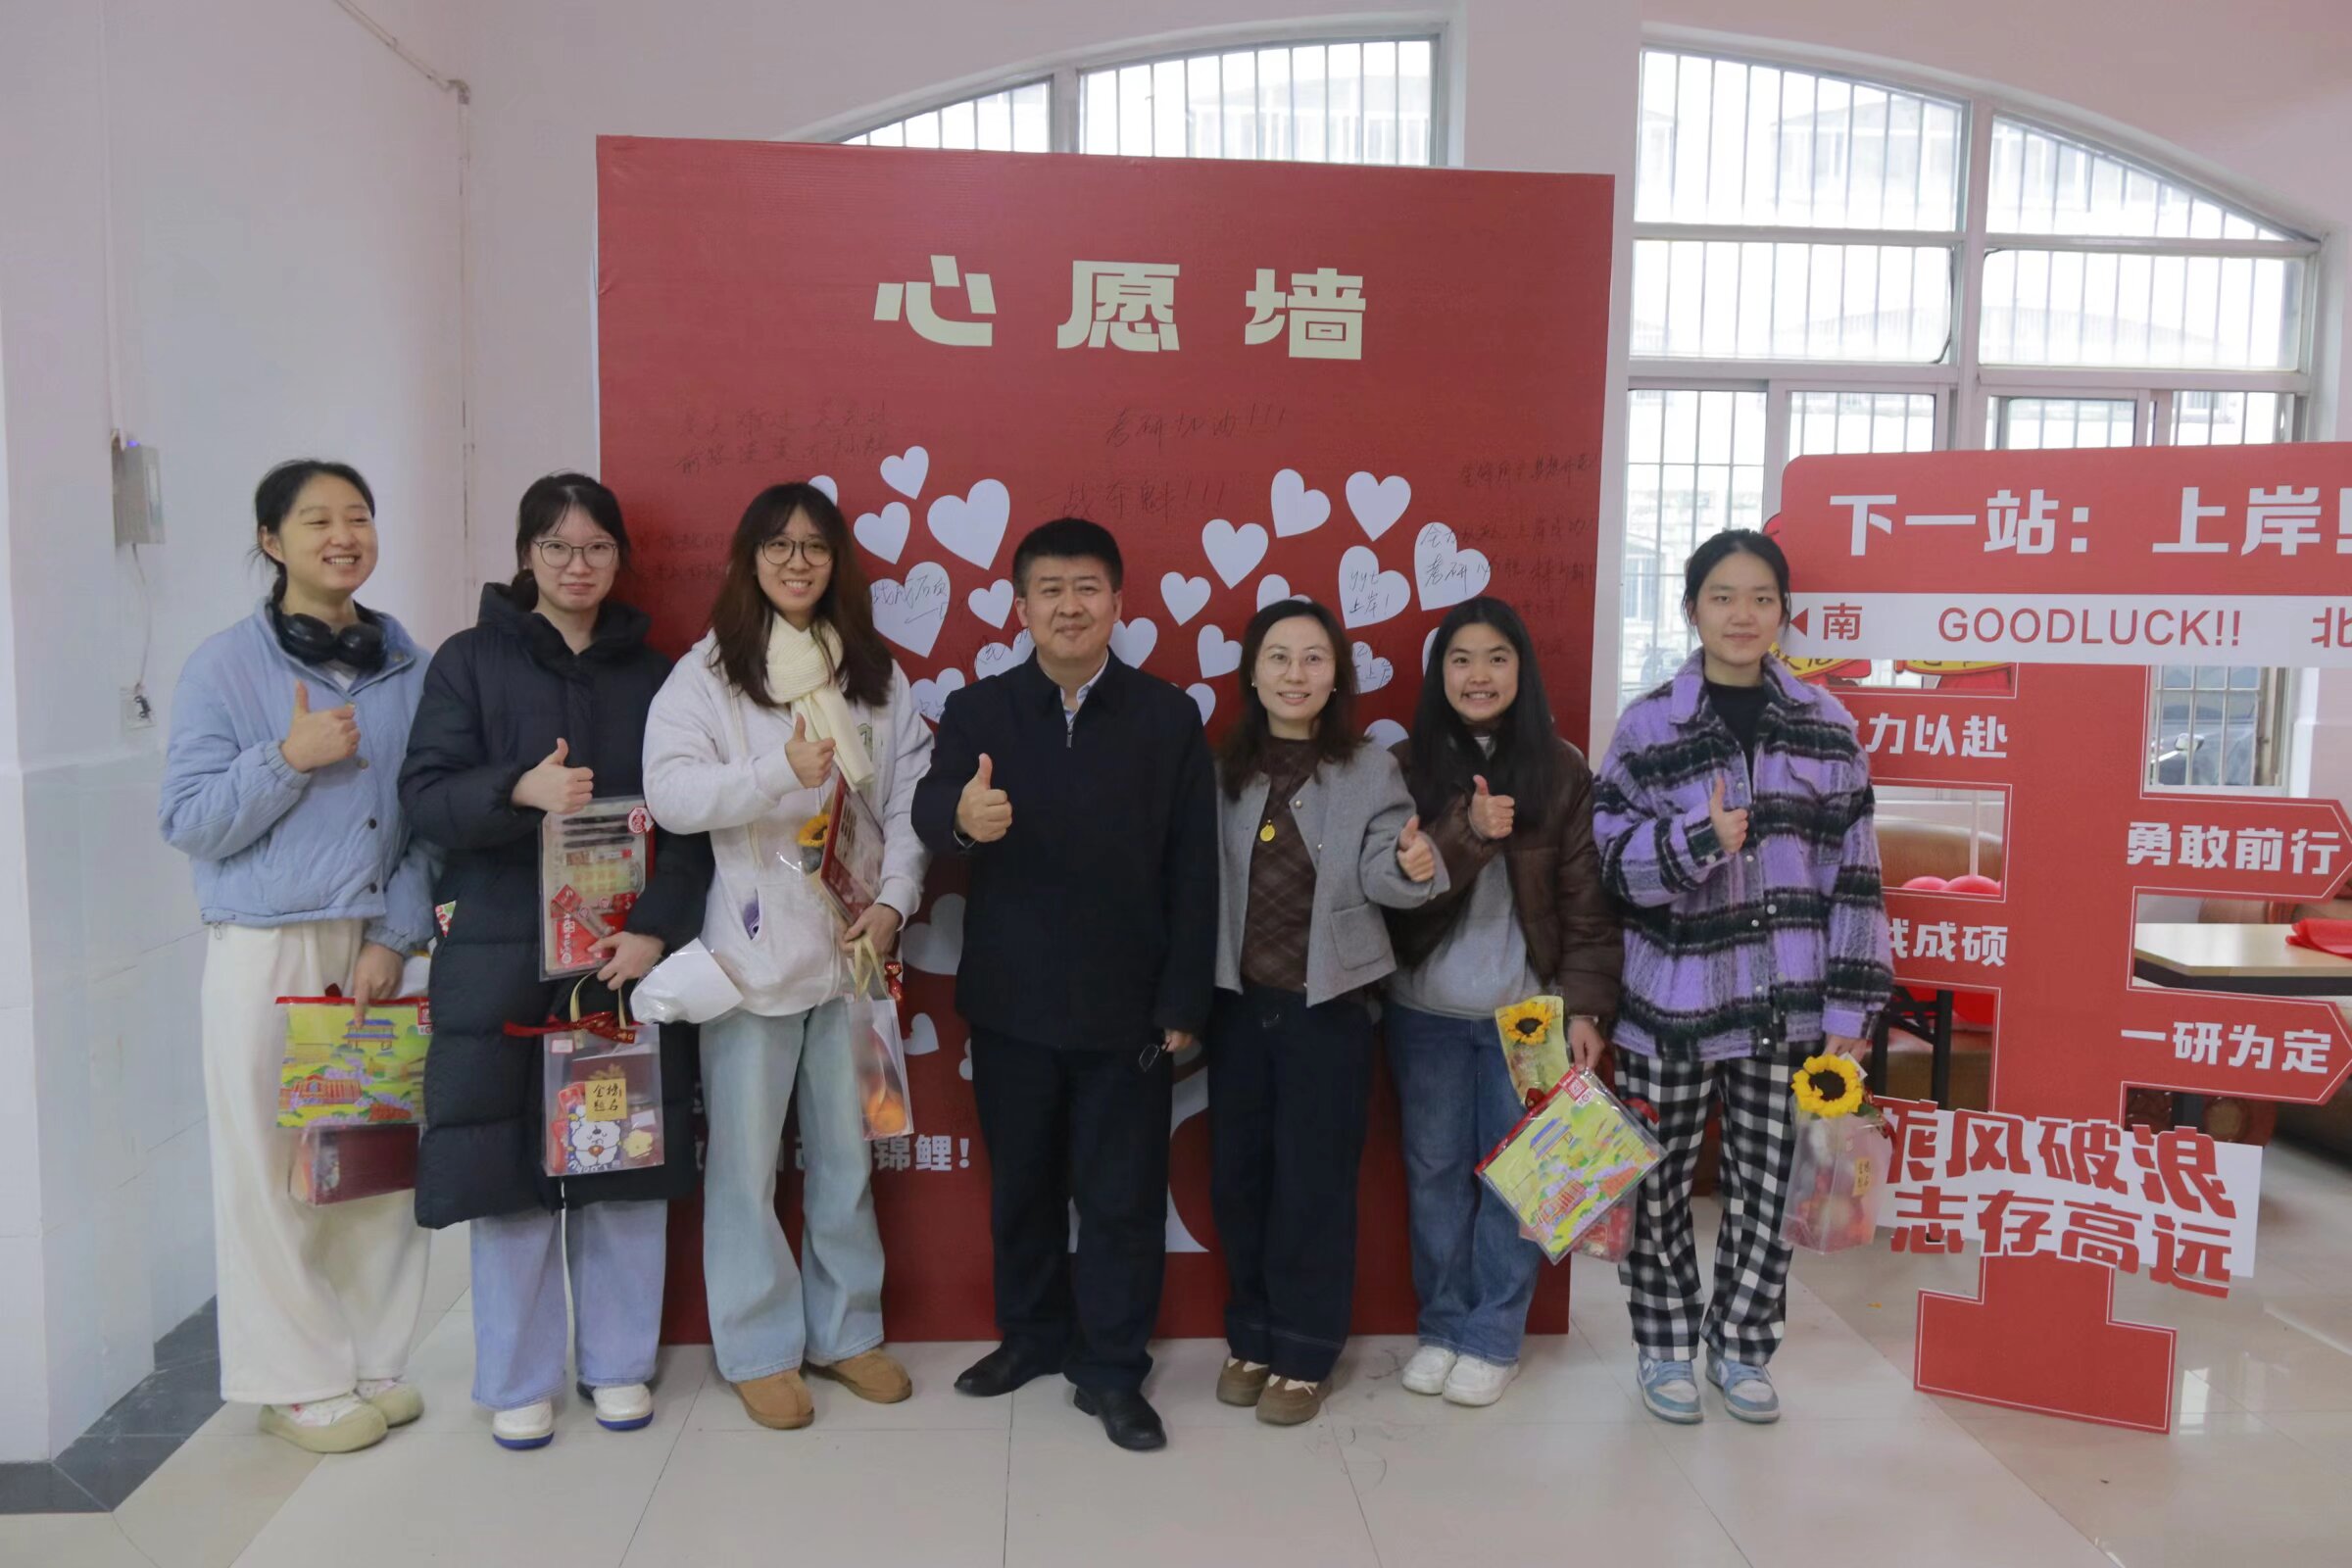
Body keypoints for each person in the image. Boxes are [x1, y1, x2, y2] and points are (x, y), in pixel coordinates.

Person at [399, 472, 713, 1450]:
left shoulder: (659, 676)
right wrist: (517, 790)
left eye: (597, 547)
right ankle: (519, 1377)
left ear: (620, 558)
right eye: (557, 547)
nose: (578, 566)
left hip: (619, 955)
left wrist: (656, 929)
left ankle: (617, 1362)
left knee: (624, 1148)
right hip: (500, 948)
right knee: (507, 1165)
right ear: (526, 554)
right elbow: (425, 798)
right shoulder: (468, 661)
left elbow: (691, 826)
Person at [910, 517, 1216, 1452]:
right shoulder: (980, 710)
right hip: (1013, 1002)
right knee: (1024, 1188)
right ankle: (1033, 1336)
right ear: (1020, 607)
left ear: (1118, 603)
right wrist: (960, 818)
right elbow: (928, 809)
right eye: (1050, 590)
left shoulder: (1167, 717)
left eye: (1087, 588)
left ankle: (1113, 1370)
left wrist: (1183, 999)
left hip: (1130, 1009)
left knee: (1123, 1198)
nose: (1069, 606)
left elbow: (1195, 869)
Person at [160, 459, 437, 1454]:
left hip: (377, 946)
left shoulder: (409, 663)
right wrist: (288, 758)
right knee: (268, 1168)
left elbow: (428, 823)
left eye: (358, 516)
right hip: (267, 944)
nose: (343, 536)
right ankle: (295, 1379)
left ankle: (373, 1358)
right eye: (316, 520)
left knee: (376, 1158)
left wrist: (395, 936)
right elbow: (190, 820)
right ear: (271, 541)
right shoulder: (222, 667)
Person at [642, 481, 933, 1430]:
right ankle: (759, 1346)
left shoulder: (876, 676)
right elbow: (670, 793)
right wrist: (777, 771)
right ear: (750, 559)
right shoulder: (707, 675)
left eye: (814, 545)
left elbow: (908, 804)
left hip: (853, 959)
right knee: (744, 1168)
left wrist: (893, 903)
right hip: (750, 962)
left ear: (836, 560)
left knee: (848, 1157)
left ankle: (848, 1332)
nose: (797, 561)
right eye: (778, 545)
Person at [1592, 528, 1891, 1426]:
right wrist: (1698, 840)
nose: (1742, 614)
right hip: (1668, 1005)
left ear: (1784, 613)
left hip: (1785, 1005)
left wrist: (1851, 1009)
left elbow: (1856, 875)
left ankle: (1742, 1347)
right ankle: (1664, 1346)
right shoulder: (1649, 725)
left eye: (1762, 598)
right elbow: (1610, 865)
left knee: (1768, 1185)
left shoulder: (1825, 727)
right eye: (1722, 596)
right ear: (1692, 609)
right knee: (1657, 1186)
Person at [1205, 598, 1443, 1427]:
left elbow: (1385, 869)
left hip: (1328, 1008)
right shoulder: (1222, 766)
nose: (1295, 674)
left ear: (1336, 674)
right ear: (1253, 672)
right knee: (1239, 1182)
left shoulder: (1369, 767)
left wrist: (1413, 864)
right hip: (1238, 1009)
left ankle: (1306, 1353)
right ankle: (1251, 1337)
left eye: (1314, 658)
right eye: (1278, 657)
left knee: (1314, 1188)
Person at [1385, 596, 1622, 1409]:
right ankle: (1442, 1327)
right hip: (1424, 1013)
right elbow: (1391, 899)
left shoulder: (1561, 768)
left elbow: (1588, 906)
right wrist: (1468, 827)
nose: (1478, 675)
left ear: (1522, 670)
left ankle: (1492, 1337)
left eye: (1496, 658)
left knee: (1524, 1182)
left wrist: (1586, 1012)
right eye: (1460, 659)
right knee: (1433, 1176)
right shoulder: (1402, 765)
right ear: (1439, 674)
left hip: (1530, 1019)